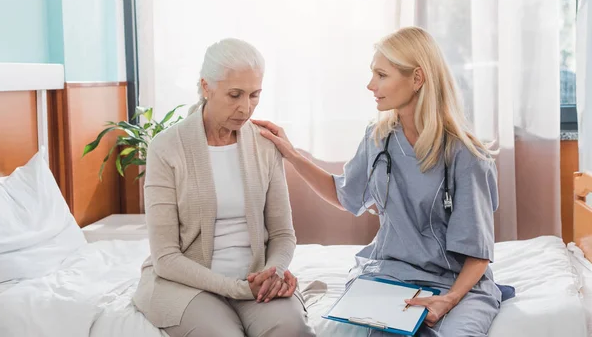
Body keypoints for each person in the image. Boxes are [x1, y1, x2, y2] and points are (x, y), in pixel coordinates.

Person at [254, 27, 502, 337]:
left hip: (455, 283)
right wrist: (292, 155)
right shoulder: (379, 138)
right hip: (390, 275)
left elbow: (478, 254)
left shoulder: (467, 156)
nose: (371, 85)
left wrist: (447, 302)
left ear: (417, 78)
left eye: (382, 75)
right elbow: (346, 194)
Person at [132, 38, 315, 337]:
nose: (246, 108)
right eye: (234, 95)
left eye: (255, 95)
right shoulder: (166, 148)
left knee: (291, 329)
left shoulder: (265, 144)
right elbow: (166, 258)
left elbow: (282, 234)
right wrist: (238, 289)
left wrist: (274, 272)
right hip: (188, 285)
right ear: (206, 87)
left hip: (254, 276)